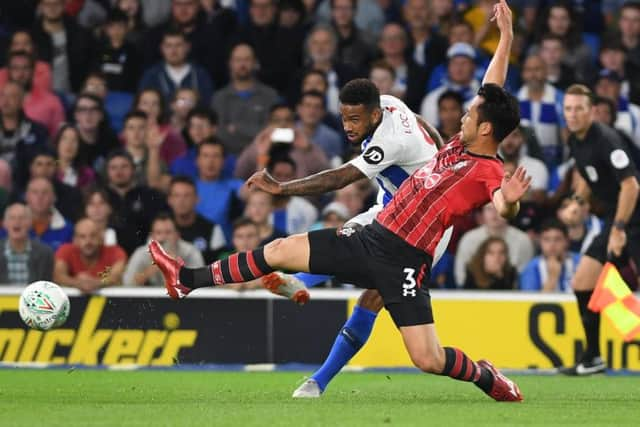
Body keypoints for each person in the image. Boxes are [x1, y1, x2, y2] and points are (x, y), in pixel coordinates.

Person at [150, 1, 526, 402]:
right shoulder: (458, 143)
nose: (463, 116)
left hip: (406, 261)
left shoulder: (487, 169)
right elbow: (493, 86)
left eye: (470, 114)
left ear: (485, 127)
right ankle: (187, 279)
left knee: (429, 359)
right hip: (372, 236)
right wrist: (505, 37)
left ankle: (486, 377)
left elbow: (501, 204)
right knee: (277, 249)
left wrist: (511, 203)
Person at [557, 84, 640, 375]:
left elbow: (631, 186)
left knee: (630, 290)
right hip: (618, 219)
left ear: (592, 111)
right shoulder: (575, 140)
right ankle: (592, 358)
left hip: (632, 217)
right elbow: (585, 173)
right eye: (568, 108)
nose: (573, 114)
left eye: (579, 108)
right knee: (582, 283)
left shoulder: (607, 139)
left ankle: (631, 328)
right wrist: (579, 201)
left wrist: (618, 228)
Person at [123, 213, 204, 287]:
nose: (163, 238)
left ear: (177, 235)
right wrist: (155, 266)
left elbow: (201, 283)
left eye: (168, 232)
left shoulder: (190, 252)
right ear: (152, 236)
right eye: (158, 233)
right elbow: (127, 283)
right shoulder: (141, 253)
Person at [54, 218, 127, 293]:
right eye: (82, 236)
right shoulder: (65, 250)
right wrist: (78, 283)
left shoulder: (115, 252)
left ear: (101, 238)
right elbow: (58, 276)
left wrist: (94, 283)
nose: (88, 241)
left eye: (93, 236)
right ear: (75, 240)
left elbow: (116, 277)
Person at [167, 175, 227, 263]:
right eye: (176, 196)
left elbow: (221, 264)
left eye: (186, 196)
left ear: (197, 199)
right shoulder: (161, 228)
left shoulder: (212, 229)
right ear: (169, 200)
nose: (181, 201)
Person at [520, 218, 580, 293]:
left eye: (557, 239)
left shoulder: (581, 262)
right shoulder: (531, 268)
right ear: (540, 242)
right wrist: (552, 278)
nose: (552, 245)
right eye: (546, 239)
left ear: (566, 241)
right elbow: (530, 303)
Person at [0, 203, 54, 284]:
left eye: (22, 218)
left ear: (30, 223)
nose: (17, 222)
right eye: (12, 218)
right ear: (4, 224)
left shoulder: (45, 253)